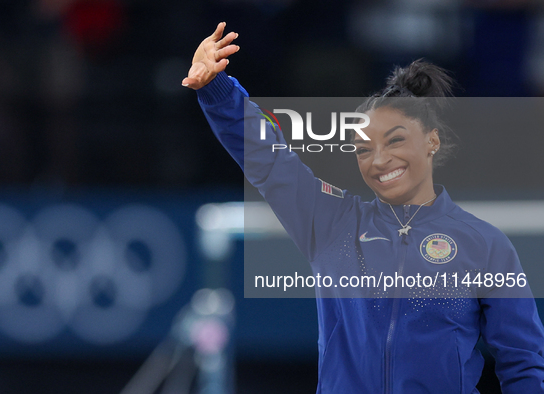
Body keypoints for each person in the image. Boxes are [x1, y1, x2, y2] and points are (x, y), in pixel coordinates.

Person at [182, 22, 544, 393]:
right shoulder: (332, 222)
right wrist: (216, 88)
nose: (379, 160)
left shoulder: (484, 245)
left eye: (395, 141)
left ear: (432, 141)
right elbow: (269, 160)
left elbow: (523, 361)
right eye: (364, 149)